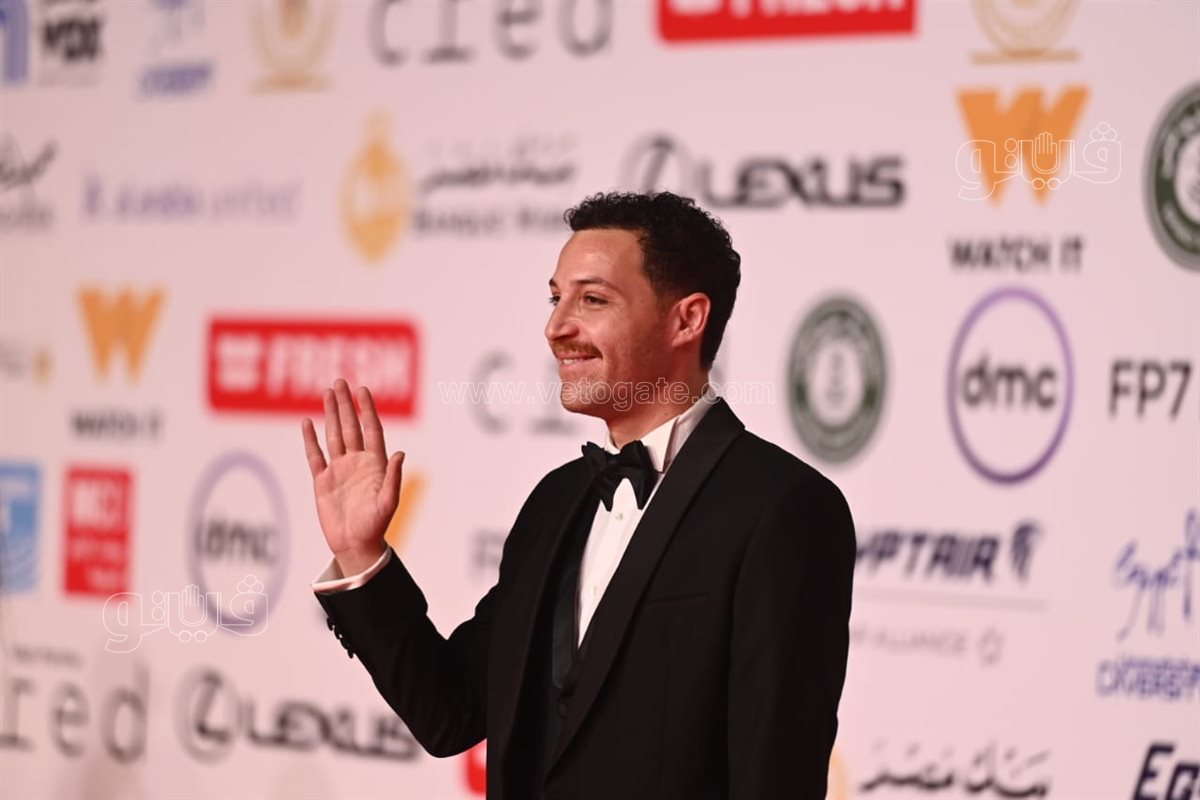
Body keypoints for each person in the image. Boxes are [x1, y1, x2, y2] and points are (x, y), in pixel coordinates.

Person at [302, 191, 855, 800]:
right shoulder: (555, 501)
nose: (556, 328)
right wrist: (361, 554)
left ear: (687, 320)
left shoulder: (783, 508)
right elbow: (451, 711)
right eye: (555, 298)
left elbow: (775, 776)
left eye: (593, 300)